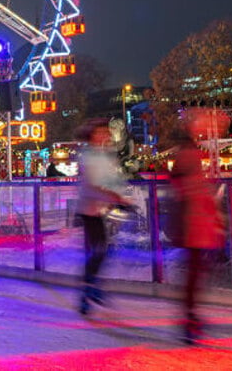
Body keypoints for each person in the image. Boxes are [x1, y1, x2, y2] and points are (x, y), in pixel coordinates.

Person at [169, 109, 226, 344]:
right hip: (193, 221)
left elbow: (183, 184)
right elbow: (184, 185)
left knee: (197, 270)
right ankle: (189, 318)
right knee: (196, 271)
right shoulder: (190, 154)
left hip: (195, 220)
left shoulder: (189, 152)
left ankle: (190, 316)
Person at [75, 119, 131, 316]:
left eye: (106, 133)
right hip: (89, 208)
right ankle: (88, 287)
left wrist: (119, 195)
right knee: (99, 249)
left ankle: (88, 289)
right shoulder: (88, 155)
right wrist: (115, 197)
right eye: (101, 132)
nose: (105, 136)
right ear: (93, 135)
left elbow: (113, 179)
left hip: (100, 208)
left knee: (100, 249)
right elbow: (92, 184)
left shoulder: (104, 155)